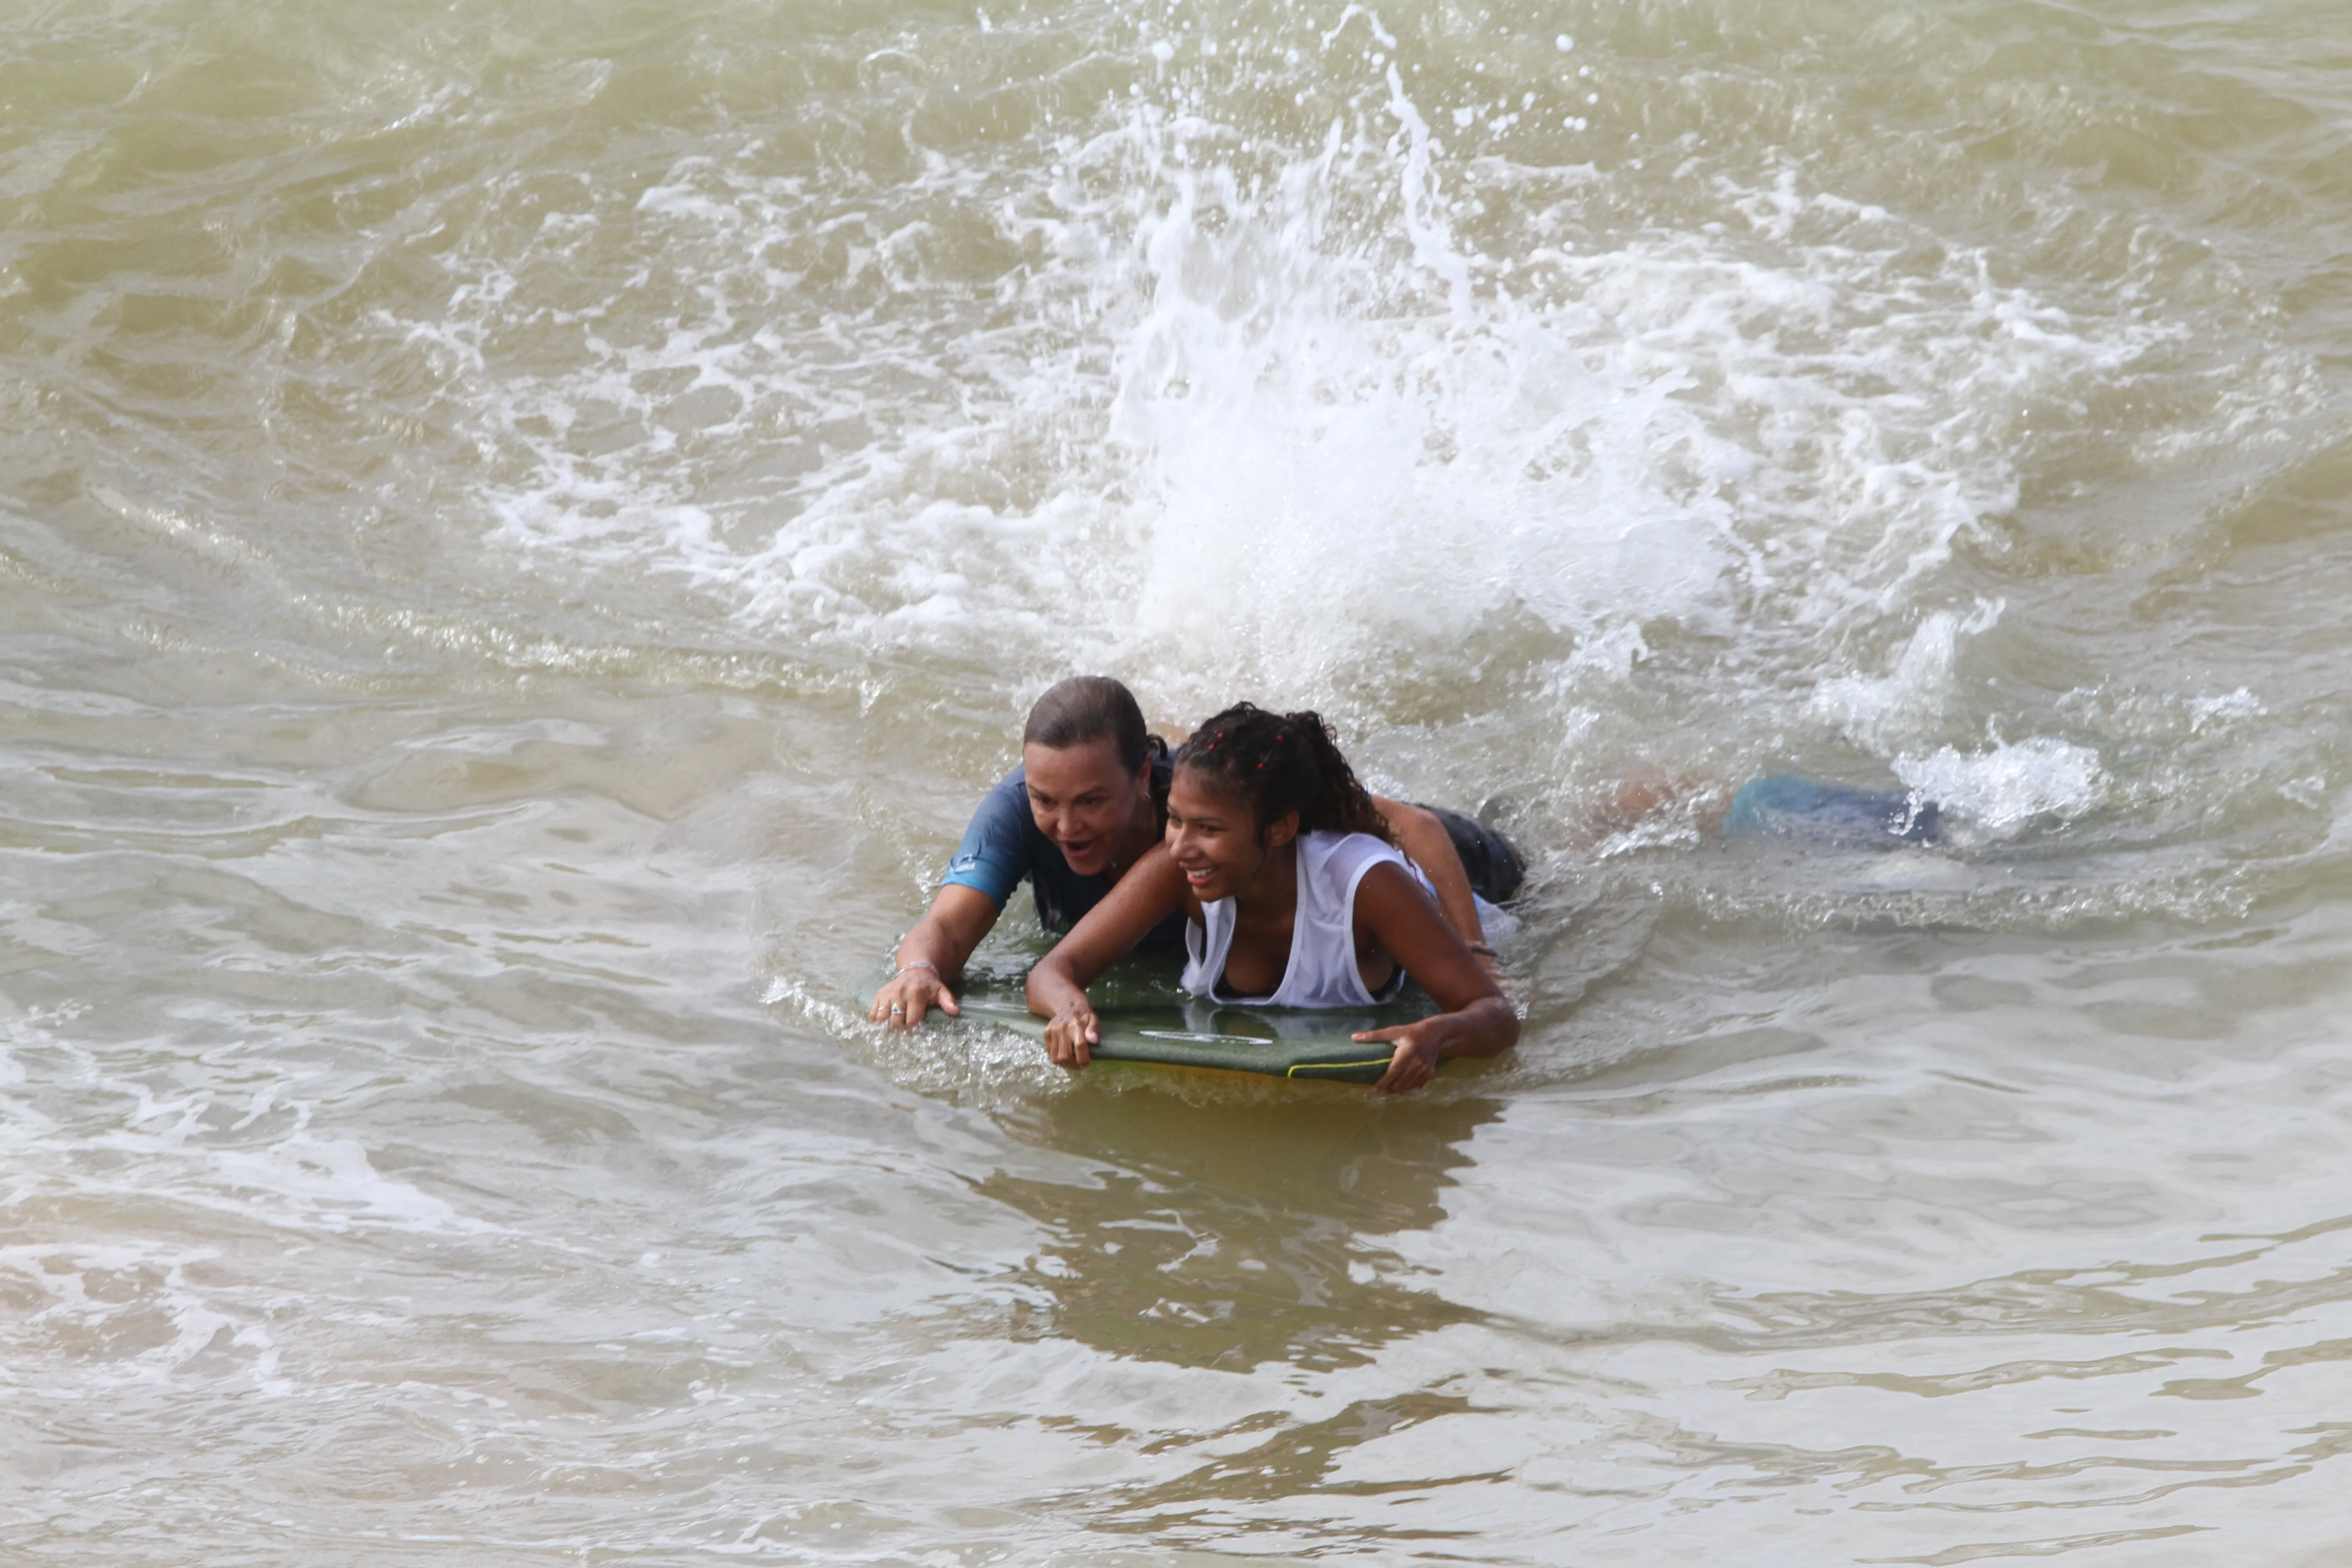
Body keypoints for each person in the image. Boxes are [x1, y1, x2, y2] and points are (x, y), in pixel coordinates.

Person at [871, 678, 1520, 1028]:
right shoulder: (1022, 811)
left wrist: (1475, 952)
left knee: (1555, 847)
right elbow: (950, 925)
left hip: (1467, 869)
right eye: (1047, 799)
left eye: (1091, 801)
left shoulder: (1220, 802)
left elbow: (1414, 828)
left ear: (1144, 776)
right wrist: (918, 970)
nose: (1065, 825)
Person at [1024, 703, 1521, 1095]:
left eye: (1209, 829)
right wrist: (1069, 1010)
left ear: (1280, 829)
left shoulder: (1368, 885)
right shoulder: (1176, 866)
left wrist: (1438, 1035)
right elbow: (1052, 970)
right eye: (1175, 819)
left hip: (1481, 882)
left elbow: (1495, 1014)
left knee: (1555, 851)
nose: (1180, 845)